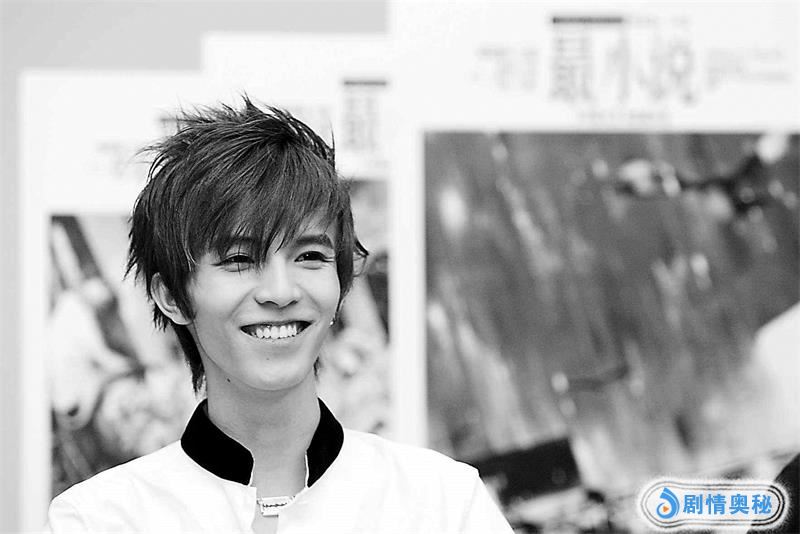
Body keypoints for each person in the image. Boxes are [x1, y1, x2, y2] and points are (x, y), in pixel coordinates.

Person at [45, 98, 513, 534]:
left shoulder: (443, 502)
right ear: (171, 296)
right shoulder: (101, 518)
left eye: (309, 256)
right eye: (239, 259)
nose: (281, 292)